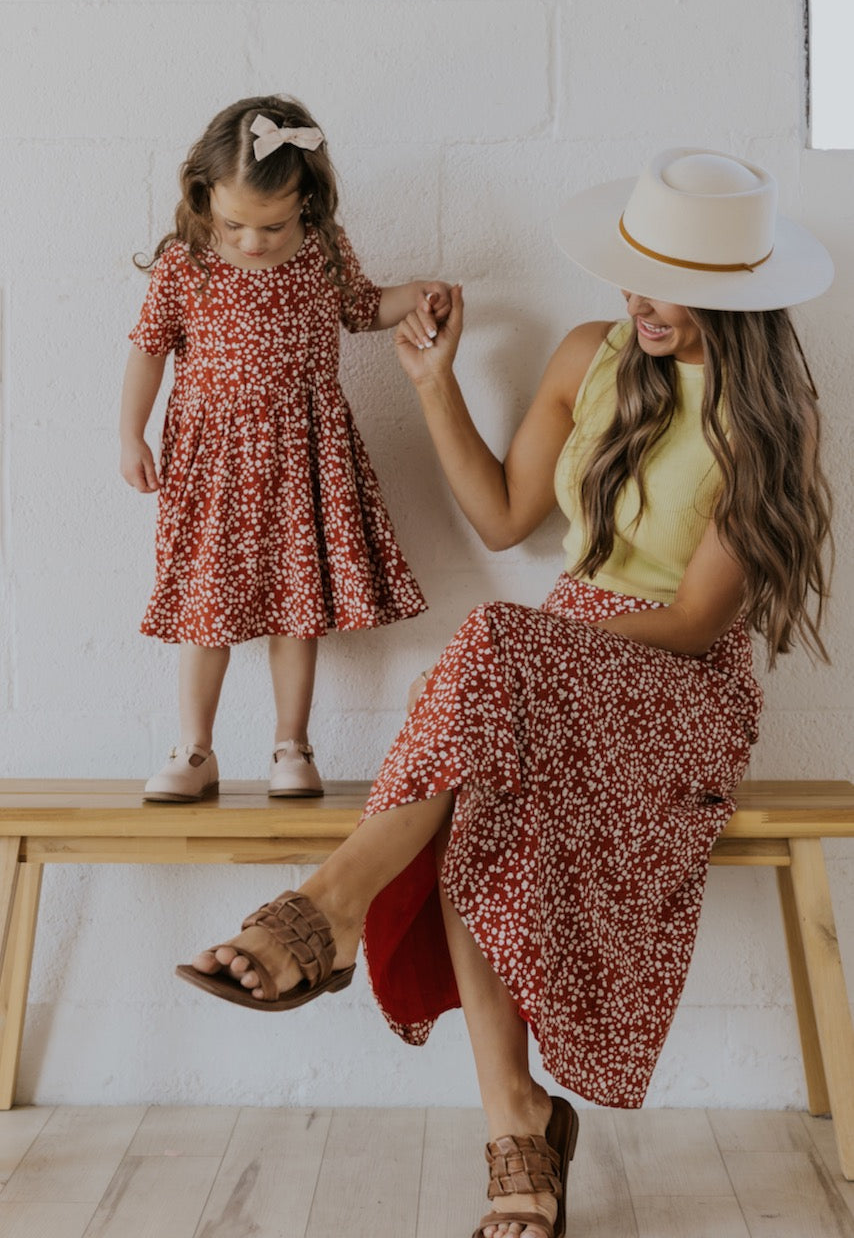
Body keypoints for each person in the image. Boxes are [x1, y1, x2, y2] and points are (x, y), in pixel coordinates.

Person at [175, 149, 833, 1238]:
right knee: (484, 782)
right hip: (538, 667)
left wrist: (541, 654)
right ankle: (513, 1125)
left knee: (492, 647)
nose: (635, 299)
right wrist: (432, 381)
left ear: (733, 289)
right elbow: (500, 518)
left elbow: (698, 622)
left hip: (673, 686)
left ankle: (330, 906)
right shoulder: (590, 354)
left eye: (667, 280)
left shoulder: (771, 417)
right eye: (633, 270)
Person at [119, 95, 451, 801]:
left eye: (271, 225)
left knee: (297, 605)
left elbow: (364, 308)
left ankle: (291, 746)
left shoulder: (323, 252)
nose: (252, 241)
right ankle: (194, 749)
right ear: (203, 195)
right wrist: (131, 434)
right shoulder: (185, 263)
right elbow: (149, 353)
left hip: (304, 460)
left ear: (308, 201)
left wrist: (417, 295)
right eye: (234, 222)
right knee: (206, 609)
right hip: (212, 466)